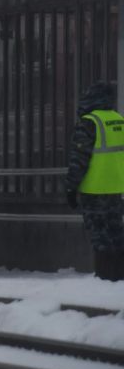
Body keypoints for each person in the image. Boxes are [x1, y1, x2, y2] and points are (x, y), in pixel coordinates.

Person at [68, 81, 123, 282]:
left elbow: (79, 160)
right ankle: (119, 276)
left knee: (100, 236)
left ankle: (105, 277)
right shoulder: (119, 120)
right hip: (116, 190)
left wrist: (70, 188)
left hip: (94, 190)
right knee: (116, 233)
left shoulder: (88, 122)